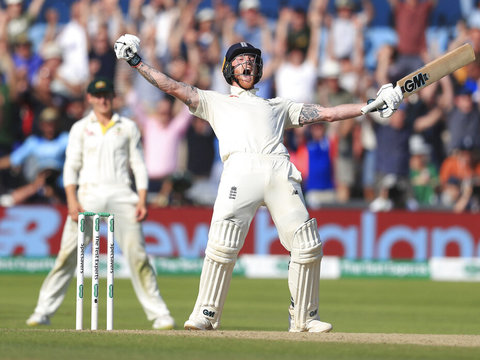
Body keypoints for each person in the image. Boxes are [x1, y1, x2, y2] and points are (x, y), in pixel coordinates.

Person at [114, 34, 402, 332]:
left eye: (252, 61)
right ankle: (206, 314)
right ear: (229, 69)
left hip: (279, 170)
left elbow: (327, 114)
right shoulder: (215, 101)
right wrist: (136, 62)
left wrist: (371, 105)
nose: (247, 64)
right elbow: (172, 86)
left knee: (308, 246)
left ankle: (304, 318)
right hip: (239, 170)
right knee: (222, 246)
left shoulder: (278, 106)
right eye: (240, 61)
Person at [26, 77, 175, 330]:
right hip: (88, 196)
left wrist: (141, 199)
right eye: (98, 96)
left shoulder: (127, 126)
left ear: (112, 97)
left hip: (122, 196)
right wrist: (72, 200)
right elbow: (71, 167)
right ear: (90, 98)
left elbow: (138, 165)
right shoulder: (80, 128)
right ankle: (42, 311)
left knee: (138, 257)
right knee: (67, 255)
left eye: (107, 94)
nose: (103, 99)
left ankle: (159, 314)